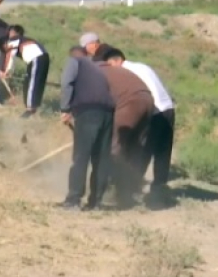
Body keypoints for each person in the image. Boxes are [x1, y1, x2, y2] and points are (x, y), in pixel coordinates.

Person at [102, 47, 176, 205]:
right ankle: (159, 187)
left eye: (111, 65)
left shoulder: (126, 71)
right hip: (167, 107)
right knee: (163, 152)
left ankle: (129, 189)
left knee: (142, 150)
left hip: (152, 110)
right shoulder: (142, 66)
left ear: (118, 61)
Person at [94, 50, 156, 207]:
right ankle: (128, 191)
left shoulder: (96, 73)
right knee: (133, 148)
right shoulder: (116, 72)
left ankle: (106, 191)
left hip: (131, 103)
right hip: (148, 101)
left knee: (113, 146)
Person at [59, 46, 116, 210]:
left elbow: (66, 83)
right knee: (101, 158)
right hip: (108, 113)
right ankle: (96, 202)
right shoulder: (96, 68)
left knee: (81, 157)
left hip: (88, 112)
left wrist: (65, 109)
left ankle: (73, 200)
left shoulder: (74, 61)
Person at [0, 25, 50, 118]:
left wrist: (5, 72)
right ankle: (33, 108)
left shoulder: (14, 39)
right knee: (31, 82)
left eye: (10, 32)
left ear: (14, 33)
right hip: (40, 58)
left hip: (36, 58)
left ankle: (30, 110)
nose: (9, 34)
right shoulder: (23, 40)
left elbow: (10, 56)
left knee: (32, 83)